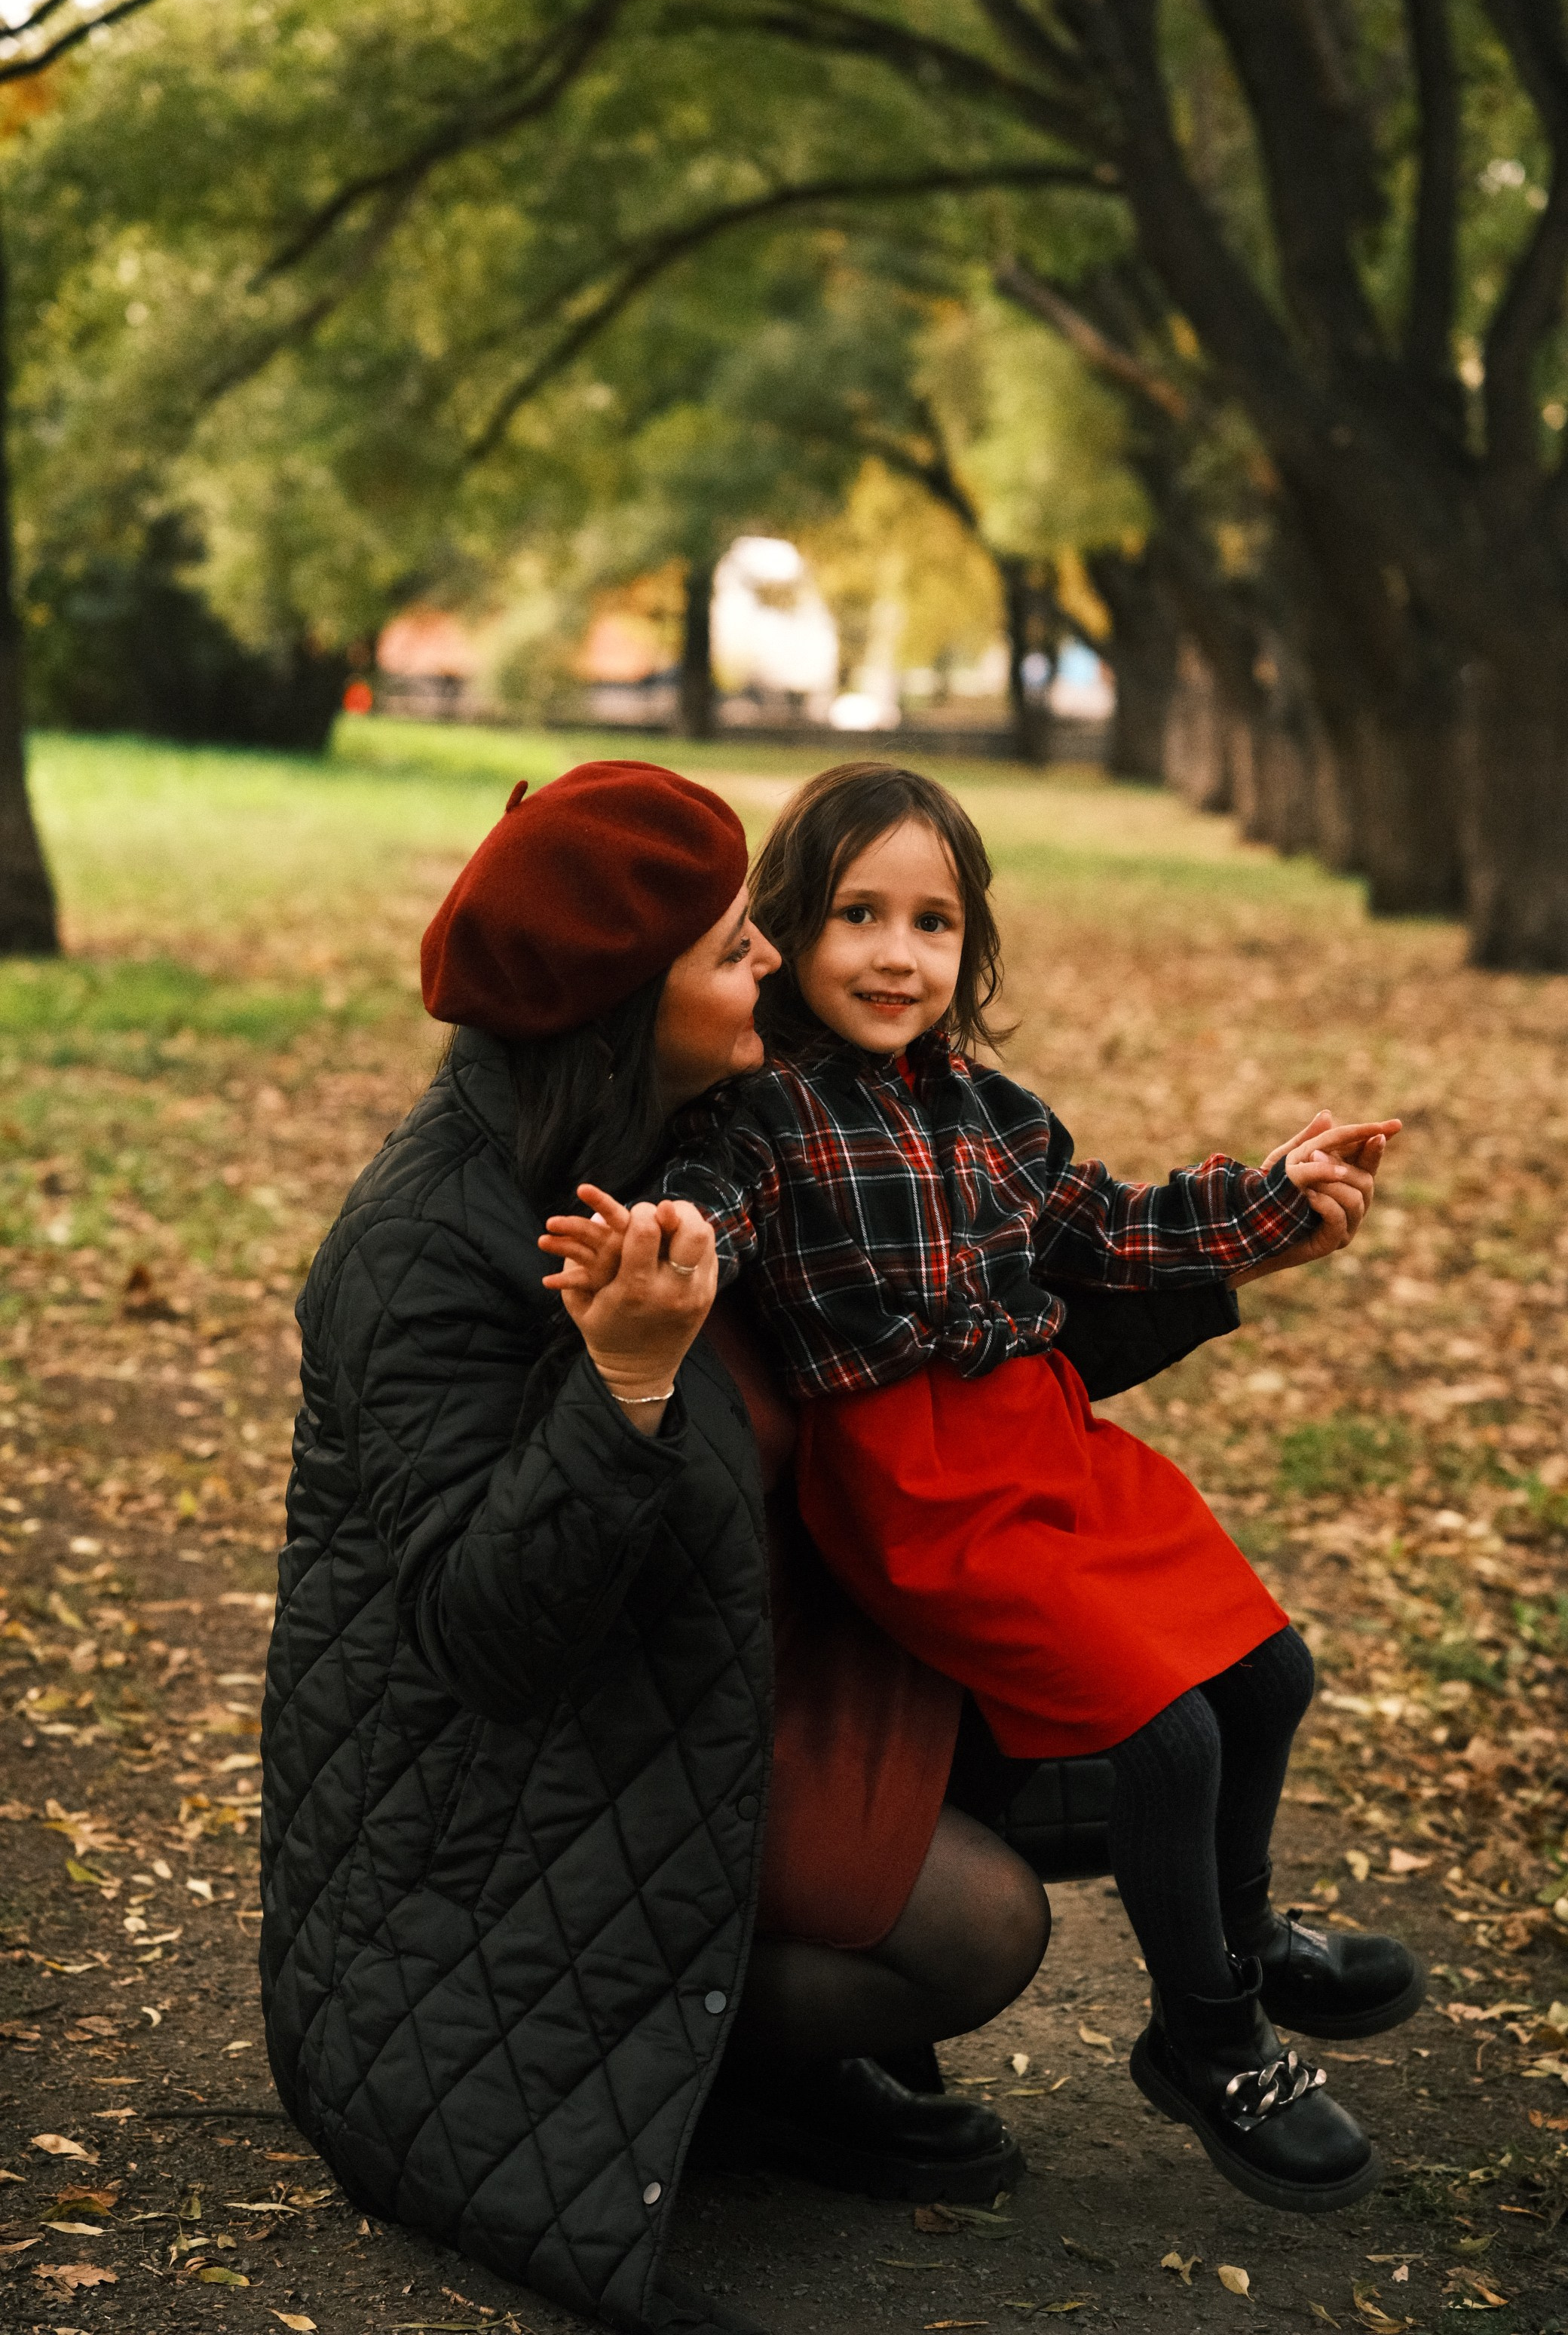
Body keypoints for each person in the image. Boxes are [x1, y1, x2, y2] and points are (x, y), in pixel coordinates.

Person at [263, 760, 1109, 2335]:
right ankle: (707, 2078)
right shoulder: (421, 1247)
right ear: (616, 997)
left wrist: (1213, 1243)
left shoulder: (710, 1130)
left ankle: (747, 2065)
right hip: (499, 1800)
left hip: (717, 1672)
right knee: (981, 1928)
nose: (775, 963)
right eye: (732, 950)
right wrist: (626, 1381)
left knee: (1134, 1726)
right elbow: (483, 1635)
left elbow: (920, 1323)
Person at [544, 761, 1423, 2220]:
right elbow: (719, 1214)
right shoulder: (768, 1119)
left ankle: (1249, 1935)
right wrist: (655, 1243)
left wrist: (1276, 1196)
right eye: (856, 916)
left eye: (935, 924)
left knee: (1268, 1670)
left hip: (1049, 1442)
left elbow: (1113, 1228)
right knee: (1166, 1735)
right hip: (924, 1491)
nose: (898, 955)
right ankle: (1206, 2035)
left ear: (972, 948)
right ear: (785, 935)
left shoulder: (997, 1115)